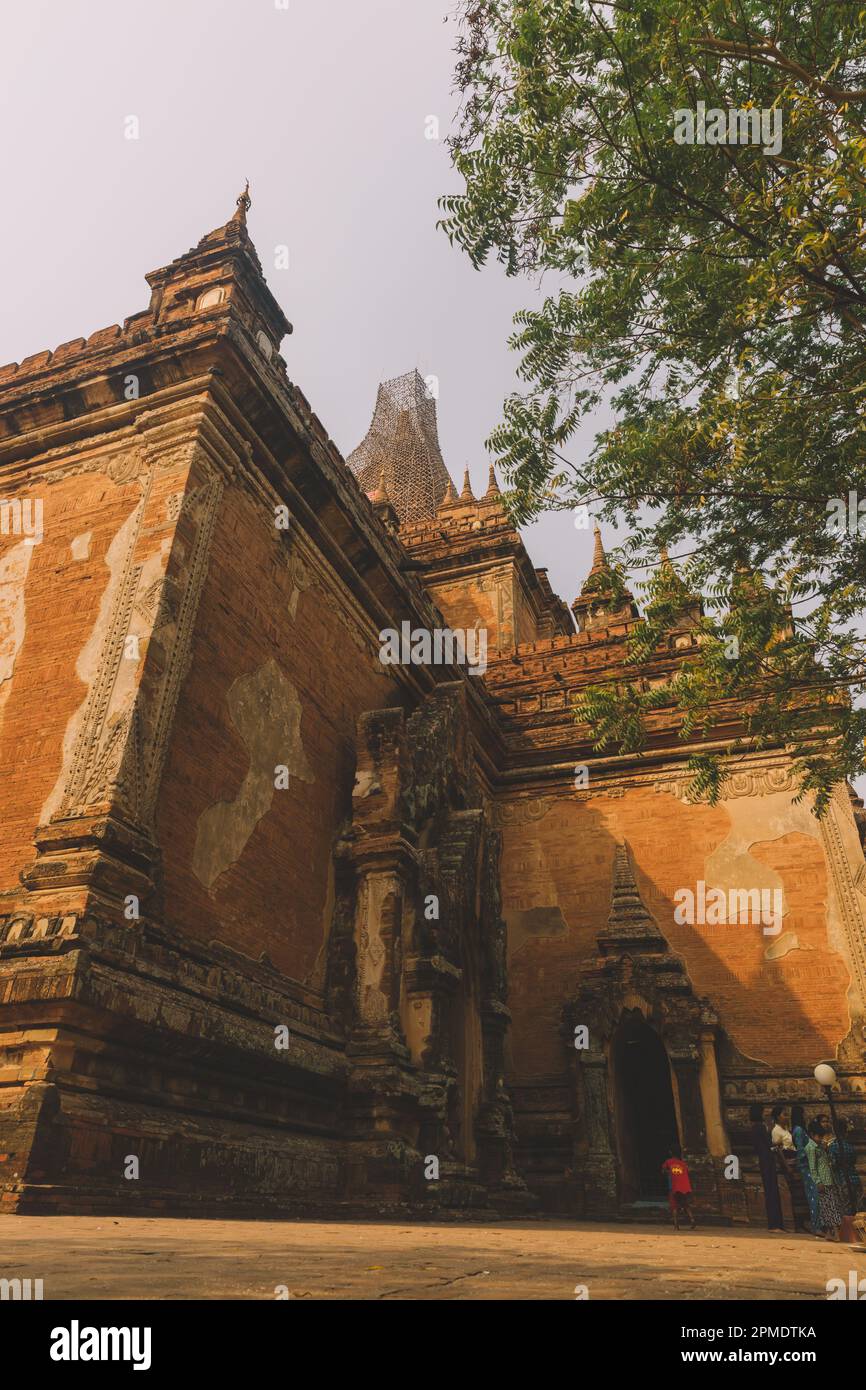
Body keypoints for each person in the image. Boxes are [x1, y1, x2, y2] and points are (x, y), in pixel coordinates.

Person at [771, 1104, 809, 1232]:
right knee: (794, 1193)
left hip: (795, 1162)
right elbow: (778, 1150)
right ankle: (797, 1224)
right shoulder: (776, 1131)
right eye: (784, 1115)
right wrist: (787, 1166)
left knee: (799, 1194)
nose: (786, 1117)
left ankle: (801, 1223)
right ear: (777, 1117)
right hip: (788, 1163)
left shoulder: (786, 1129)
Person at [806, 1119, 844, 1242]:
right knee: (829, 1207)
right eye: (819, 1136)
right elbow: (812, 1167)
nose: (821, 1138)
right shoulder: (811, 1148)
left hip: (829, 1179)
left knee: (830, 1206)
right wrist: (818, 1182)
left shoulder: (820, 1147)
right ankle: (835, 1232)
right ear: (812, 1134)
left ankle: (829, 1233)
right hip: (822, 1181)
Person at [749, 1102, 784, 1230]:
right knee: (772, 1191)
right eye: (763, 1112)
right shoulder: (760, 1127)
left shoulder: (755, 1127)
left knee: (771, 1191)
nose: (765, 1114)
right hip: (767, 1160)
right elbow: (768, 1144)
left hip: (763, 1160)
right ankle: (775, 1224)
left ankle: (775, 1224)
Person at [791, 1103, 823, 1237]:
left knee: (816, 1195)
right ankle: (816, 1226)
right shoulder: (798, 1130)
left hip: (810, 1165)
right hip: (806, 1166)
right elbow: (800, 1151)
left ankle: (819, 1225)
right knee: (813, 1196)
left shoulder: (800, 1130)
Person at [829, 1116, 863, 1217]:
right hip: (855, 1179)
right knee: (858, 1209)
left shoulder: (833, 1147)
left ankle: (848, 1231)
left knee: (845, 1209)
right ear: (845, 1132)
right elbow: (853, 1161)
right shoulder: (850, 1147)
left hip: (842, 1180)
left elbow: (833, 1164)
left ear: (834, 1131)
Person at [661, 1144, 696, 1231]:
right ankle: (692, 1219)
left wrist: (668, 1172)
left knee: (674, 1206)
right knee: (686, 1205)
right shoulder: (683, 1164)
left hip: (674, 1187)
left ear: (670, 1152)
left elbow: (663, 1171)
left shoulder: (668, 1162)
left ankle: (676, 1225)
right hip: (684, 1187)